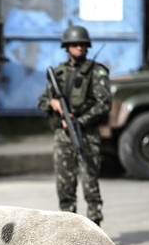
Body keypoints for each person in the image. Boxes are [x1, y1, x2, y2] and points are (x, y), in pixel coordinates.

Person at [38, 25, 111, 226]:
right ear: (67, 46)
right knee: (65, 187)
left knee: (90, 185)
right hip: (63, 136)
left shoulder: (96, 72)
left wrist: (79, 120)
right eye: (74, 44)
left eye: (82, 44)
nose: (79, 47)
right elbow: (42, 100)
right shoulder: (59, 73)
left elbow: (104, 104)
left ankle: (95, 228)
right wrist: (52, 104)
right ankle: (69, 229)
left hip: (86, 134)